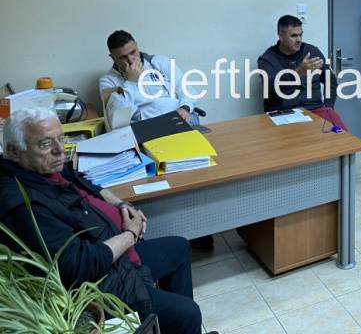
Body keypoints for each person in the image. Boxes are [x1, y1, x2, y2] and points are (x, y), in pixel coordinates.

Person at [0, 108, 214, 334]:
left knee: (179, 248)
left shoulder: (40, 168)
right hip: (100, 280)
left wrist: (123, 205)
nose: (59, 150)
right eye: (45, 144)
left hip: (118, 257)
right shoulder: (23, 204)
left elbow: (83, 181)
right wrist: (130, 234)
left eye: (61, 139)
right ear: (15, 151)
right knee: (188, 314)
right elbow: (79, 265)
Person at [258, 15, 346, 130]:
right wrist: (298, 73)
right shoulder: (268, 59)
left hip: (315, 110)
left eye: (301, 35)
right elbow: (271, 89)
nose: (299, 39)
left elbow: (331, 81)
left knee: (344, 137)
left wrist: (328, 107)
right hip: (284, 114)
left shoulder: (312, 52)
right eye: (294, 36)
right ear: (281, 35)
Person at [99, 30, 199, 126]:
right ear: (113, 58)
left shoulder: (160, 62)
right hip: (147, 126)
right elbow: (118, 119)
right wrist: (131, 82)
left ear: (137, 46)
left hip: (179, 116)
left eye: (133, 52)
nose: (131, 60)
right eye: (123, 57)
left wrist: (185, 108)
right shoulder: (108, 81)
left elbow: (186, 90)